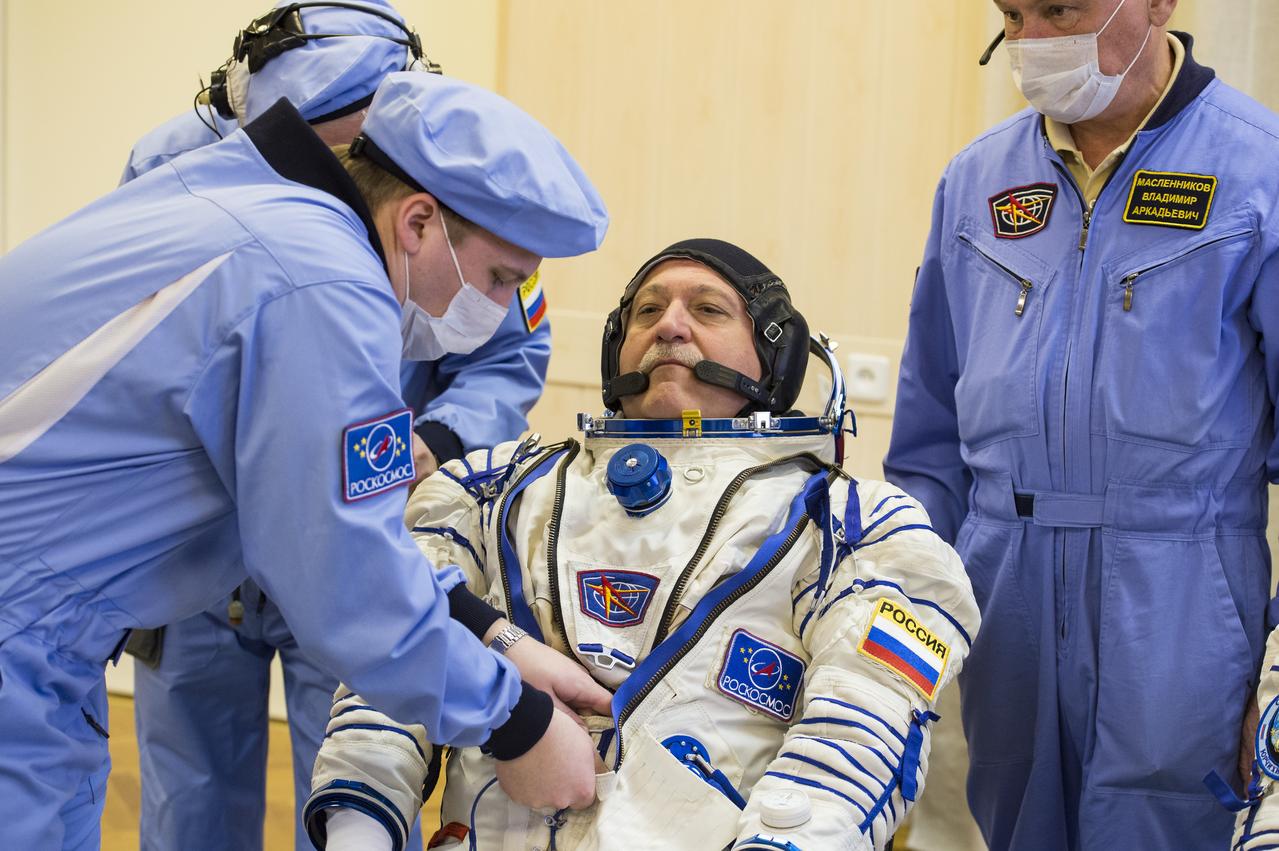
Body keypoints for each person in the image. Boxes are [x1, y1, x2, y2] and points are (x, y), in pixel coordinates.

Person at [0, 69, 612, 849]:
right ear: (419, 221)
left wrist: (493, 635)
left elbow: (337, 527)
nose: (496, 311)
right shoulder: (322, 283)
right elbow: (346, 580)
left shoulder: (245, 200)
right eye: (499, 278)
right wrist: (518, 724)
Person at [299, 239, 981, 851]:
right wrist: (361, 826)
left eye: (708, 309)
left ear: (774, 354)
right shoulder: (490, 491)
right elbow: (391, 658)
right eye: (646, 310)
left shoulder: (853, 524)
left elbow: (858, 734)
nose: (669, 325)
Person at [116, 5, 554, 848]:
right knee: (188, 797)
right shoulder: (172, 163)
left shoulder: (451, 175)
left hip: (352, 531)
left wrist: (440, 438)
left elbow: (508, 351)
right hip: (196, 544)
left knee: (350, 783)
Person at [884, 0, 1279, 848]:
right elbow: (926, 448)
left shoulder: (1258, 171)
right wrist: (896, 629)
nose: (1031, 41)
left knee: (1163, 825)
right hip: (1001, 584)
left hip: (1181, 594)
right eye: (1012, 14)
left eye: (1060, 8)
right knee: (1003, 823)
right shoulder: (975, 180)